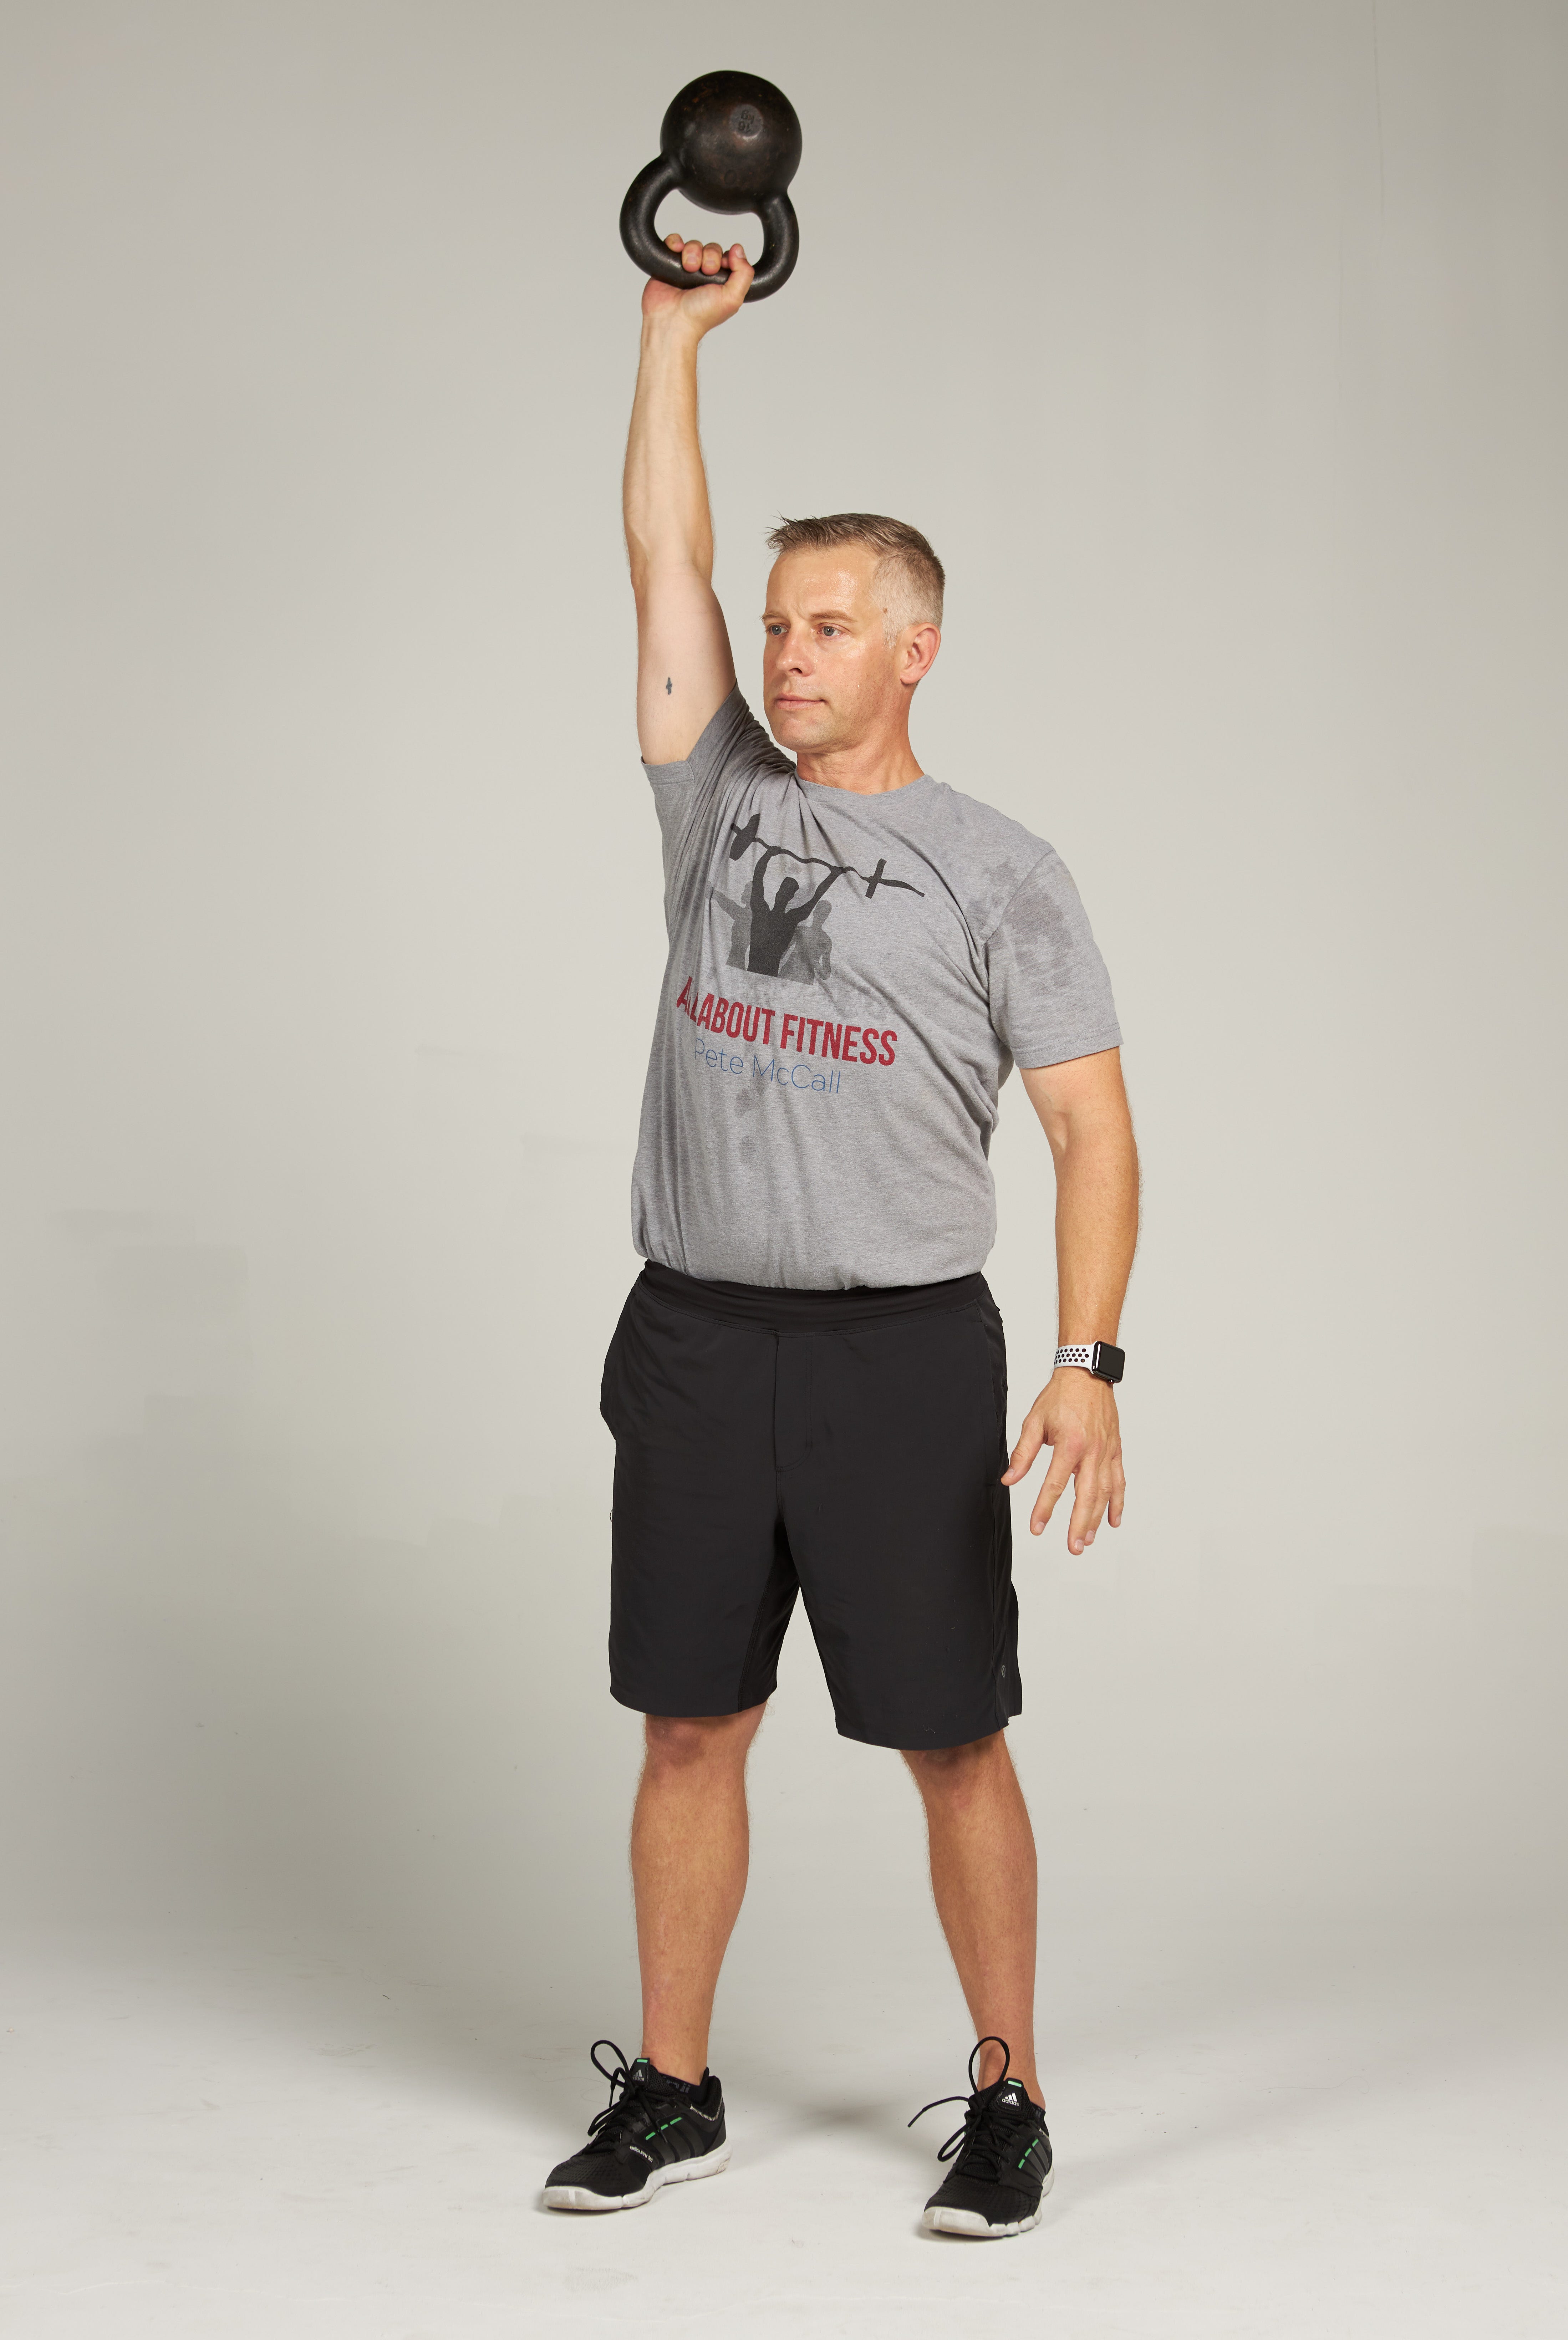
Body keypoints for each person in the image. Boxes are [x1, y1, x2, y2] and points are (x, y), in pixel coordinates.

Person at [543, 234, 1139, 2239]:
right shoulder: (713, 800)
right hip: (700, 1336)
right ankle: (674, 2089)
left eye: (826, 627)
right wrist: (669, 339)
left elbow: (1092, 1128)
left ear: (915, 648)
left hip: (901, 1357)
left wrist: (1088, 1360)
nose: (785, 655)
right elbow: (661, 556)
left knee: (952, 1738)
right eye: (776, 624)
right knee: (687, 1722)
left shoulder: (1002, 872)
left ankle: (1010, 2100)